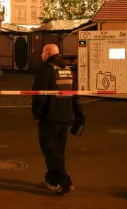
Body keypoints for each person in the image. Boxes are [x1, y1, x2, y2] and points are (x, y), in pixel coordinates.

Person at [32, 44, 85, 195]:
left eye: (43, 53)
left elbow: (39, 95)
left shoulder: (46, 70)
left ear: (48, 53)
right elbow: (75, 94)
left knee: (50, 151)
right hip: (66, 116)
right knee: (58, 151)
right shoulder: (67, 70)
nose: (41, 56)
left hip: (50, 117)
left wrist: (37, 114)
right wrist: (79, 115)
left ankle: (65, 182)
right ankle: (52, 180)